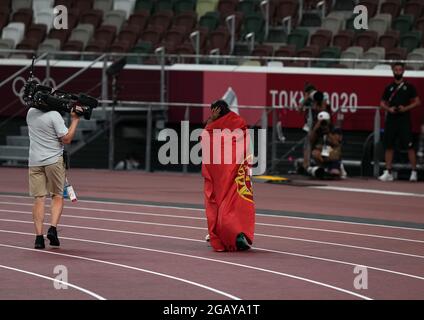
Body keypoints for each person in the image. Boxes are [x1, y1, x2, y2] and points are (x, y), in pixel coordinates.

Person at [201, 100, 255, 252]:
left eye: (212, 111)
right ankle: (237, 234)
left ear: (217, 110)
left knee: (221, 204)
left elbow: (205, 138)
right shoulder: (238, 122)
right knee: (236, 203)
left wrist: (211, 121)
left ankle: (229, 235)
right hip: (236, 174)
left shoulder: (221, 125)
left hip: (226, 176)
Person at [27, 104, 82, 249]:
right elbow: (67, 138)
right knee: (57, 195)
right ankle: (52, 229)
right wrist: (75, 120)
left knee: (39, 198)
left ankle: (38, 238)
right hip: (53, 161)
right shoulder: (54, 115)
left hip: (34, 161)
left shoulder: (30, 113)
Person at [379, 62, 421, 182]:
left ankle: (413, 172)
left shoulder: (409, 86)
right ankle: (388, 171)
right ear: (393, 71)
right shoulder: (389, 87)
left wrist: (405, 108)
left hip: (404, 120)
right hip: (391, 119)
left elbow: (417, 102)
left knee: (410, 146)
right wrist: (389, 109)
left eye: (400, 70)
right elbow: (382, 103)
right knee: (389, 145)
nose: (398, 72)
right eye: (396, 70)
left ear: (403, 71)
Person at [308, 111, 343, 179]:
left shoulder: (334, 129)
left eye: (325, 121)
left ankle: (337, 167)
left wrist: (328, 132)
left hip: (332, 152)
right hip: (323, 153)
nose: (323, 124)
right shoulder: (317, 130)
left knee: (335, 173)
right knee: (315, 152)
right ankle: (323, 167)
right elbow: (311, 141)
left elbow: (336, 143)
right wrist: (316, 128)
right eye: (322, 122)